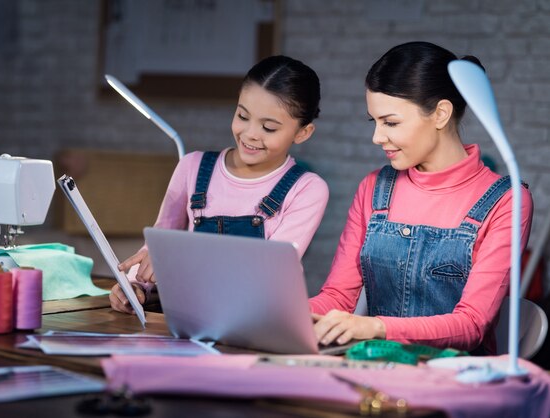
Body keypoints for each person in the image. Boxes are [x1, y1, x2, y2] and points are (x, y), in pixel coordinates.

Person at [309, 41, 533, 355]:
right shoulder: (373, 188)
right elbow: (336, 297)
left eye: (391, 122)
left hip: (455, 377)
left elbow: (471, 325)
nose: (377, 137)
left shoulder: (507, 202)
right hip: (377, 368)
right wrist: (291, 313)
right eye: (374, 122)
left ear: (441, 113)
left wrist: (376, 327)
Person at [110, 55, 329, 313]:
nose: (249, 134)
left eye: (269, 128)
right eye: (242, 116)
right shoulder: (191, 167)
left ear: (302, 133)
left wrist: (178, 260)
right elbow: (158, 246)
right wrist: (136, 286)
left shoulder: (306, 189)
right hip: (187, 316)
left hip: (254, 320)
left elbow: (268, 273)